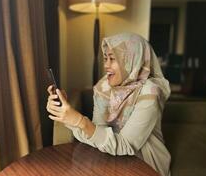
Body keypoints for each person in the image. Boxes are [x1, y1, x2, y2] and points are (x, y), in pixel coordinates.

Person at [46, 32, 171, 176]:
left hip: (144, 163)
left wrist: (80, 121)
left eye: (112, 59)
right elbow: (96, 134)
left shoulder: (150, 91)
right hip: (110, 155)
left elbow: (126, 145)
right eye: (105, 58)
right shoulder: (104, 86)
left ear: (132, 60)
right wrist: (68, 116)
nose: (106, 65)